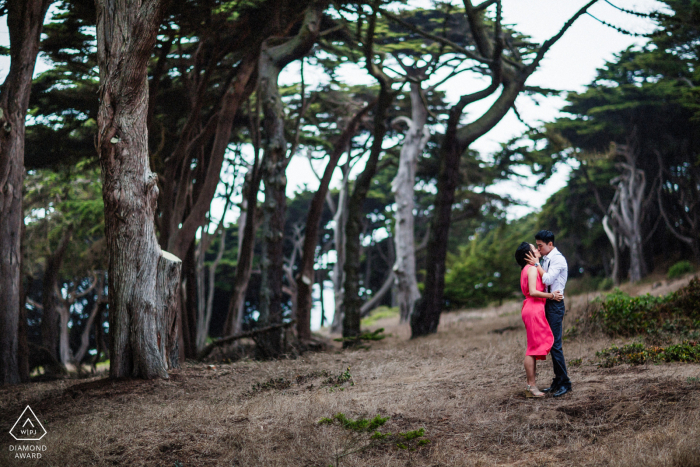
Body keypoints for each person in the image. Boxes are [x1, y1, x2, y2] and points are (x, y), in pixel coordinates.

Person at [525, 230, 571, 397]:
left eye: (540, 246)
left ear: (550, 244)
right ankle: (558, 380)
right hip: (548, 303)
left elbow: (548, 280)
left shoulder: (557, 259)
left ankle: (565, 383)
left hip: (555, 304)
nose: (539, 249)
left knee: (555, 345)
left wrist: (536, 265)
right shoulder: (546, 259)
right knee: (551, 345)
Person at [514, 242, 561, 398]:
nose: (536, 249)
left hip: (532, 309)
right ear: (528, 254)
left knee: (533, 347)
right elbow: (533, 292)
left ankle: (531, 386)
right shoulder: (532, 269)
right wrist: (552, 296)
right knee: (532, 349)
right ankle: (531, 386)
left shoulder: (527, 269)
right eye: (534, 248)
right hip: (533, 309)